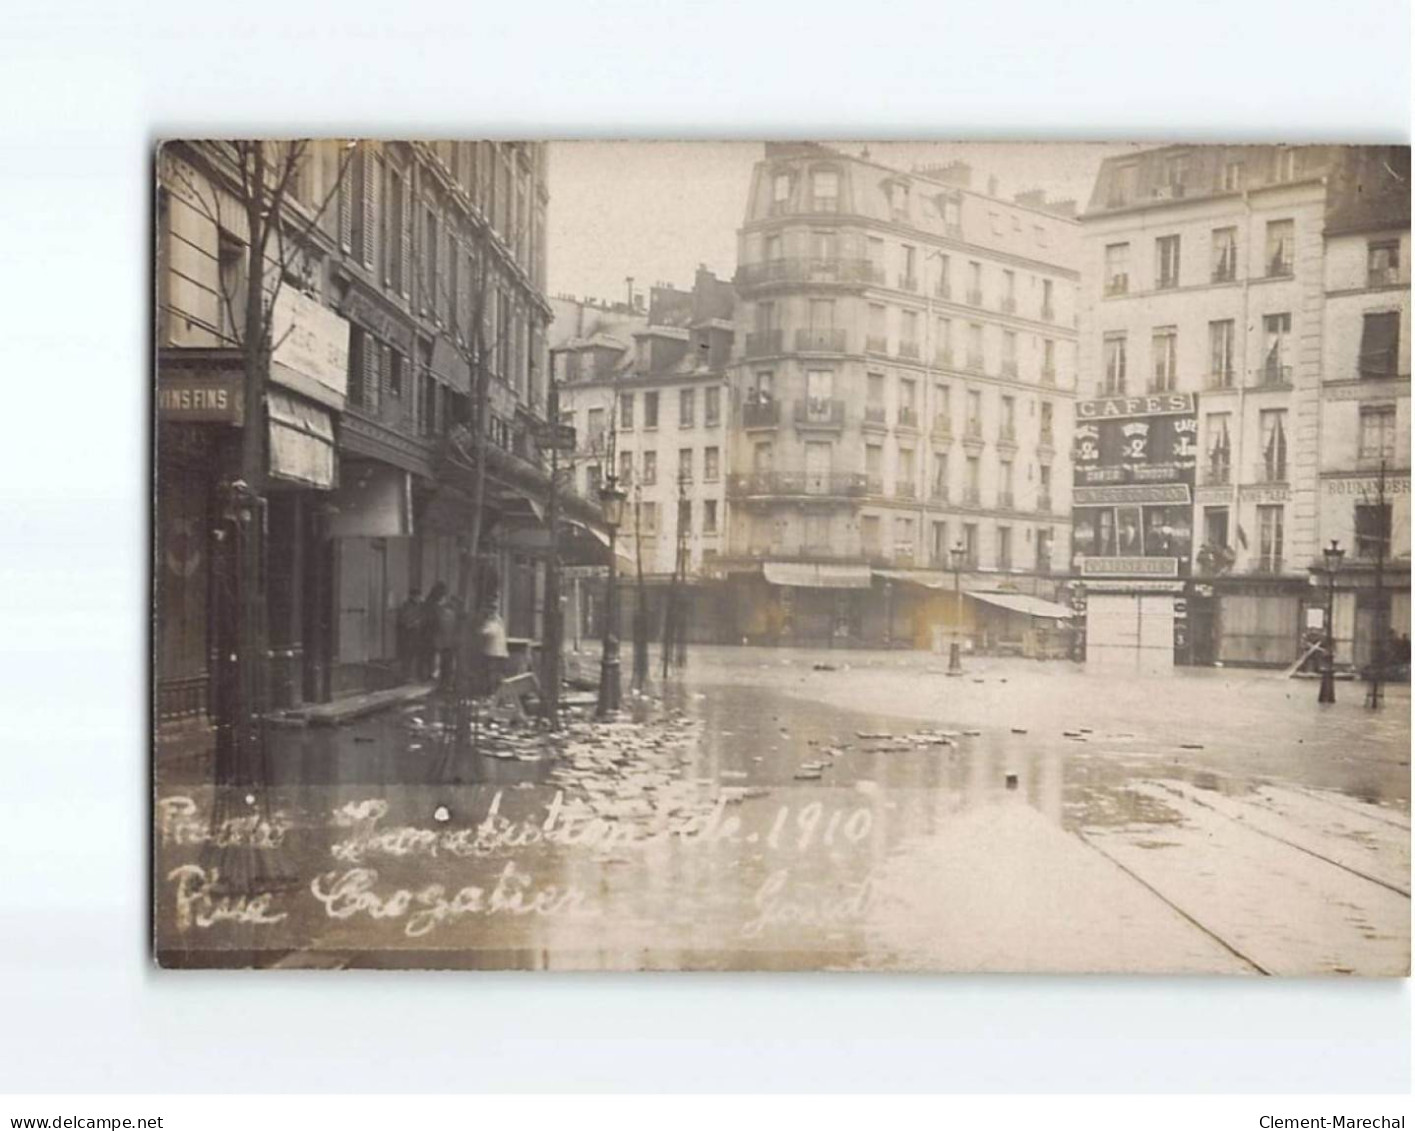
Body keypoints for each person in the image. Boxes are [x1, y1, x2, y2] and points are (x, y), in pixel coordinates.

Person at [396, 588, 424, 682]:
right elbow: (402, 620)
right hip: (408, 634)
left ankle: (413, 675)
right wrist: (412, 623)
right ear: (412, 596)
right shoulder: (406, 606)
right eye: (417, 596)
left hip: (417, 634)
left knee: (415, 655)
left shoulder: (420, 606)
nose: (419, 598)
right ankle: (406, 675)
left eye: (419, 596)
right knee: (408, 654)